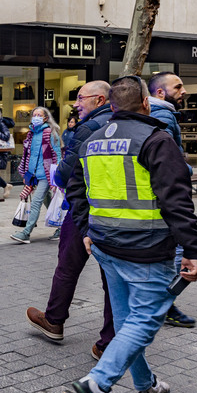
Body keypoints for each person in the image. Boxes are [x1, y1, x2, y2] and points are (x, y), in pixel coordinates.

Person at [68, 75, 197, 393]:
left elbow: (74, 189)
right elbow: (176, 200)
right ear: (146, 103)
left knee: (126, 321)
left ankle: (146, 385)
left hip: (105, 247)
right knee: (143, 321)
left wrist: (87, 229)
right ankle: (98, 383)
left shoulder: (92, 139)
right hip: (146, 250)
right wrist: (192, 248)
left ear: (112, 106)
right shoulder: (157, 140)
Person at [25, 81, 115, 359]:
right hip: (116, 212)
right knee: (111, 277)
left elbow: (66, 172)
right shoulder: (124, 125)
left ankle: (54, 321)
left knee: (68, 265)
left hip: (84, 209)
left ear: (99, 99)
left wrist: (59, 176)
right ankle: (109, 341)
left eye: (80, 98)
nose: (75, 104)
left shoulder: (87, 128)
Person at [147, 71, 196, 328]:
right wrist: (187, 170)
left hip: (160, 196)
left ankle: (162, 303)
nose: (184, 91)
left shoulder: (160, 112)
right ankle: (163, 303)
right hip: (167, 197)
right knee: (179, 251)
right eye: (178, 87)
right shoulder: (163, 114)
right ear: (160, 93)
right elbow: (168, 158)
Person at [10, 107, 62, 244]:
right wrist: (26, 173)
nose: (36, 117)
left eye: (39, 115)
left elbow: (57, 155)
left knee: (36, 202)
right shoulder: (31, 134)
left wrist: (57, 176)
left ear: (45, 118)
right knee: (48, 201)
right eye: (34, 115)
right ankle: (62, 226)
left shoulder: (50, 133)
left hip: (45, 174)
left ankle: (26, 233)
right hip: (33, 174)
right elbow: (28, 156)